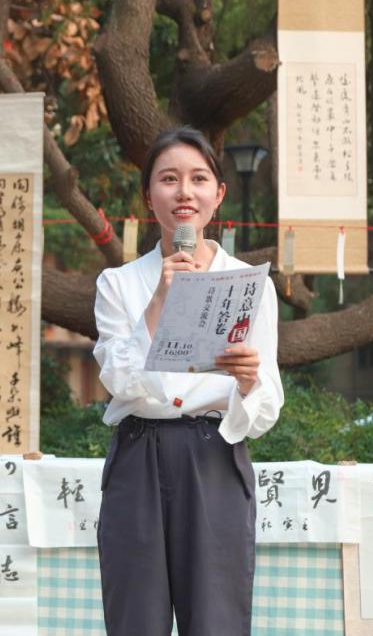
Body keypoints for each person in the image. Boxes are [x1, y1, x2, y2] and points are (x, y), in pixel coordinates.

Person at [94, 127, 283, 636]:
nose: (184, 192)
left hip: (214, 456)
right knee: (135, 619)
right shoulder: (118, 284)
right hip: (138, 458)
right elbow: (118, 380)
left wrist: (248, 382)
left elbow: (267, 408)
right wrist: (159, 301)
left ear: (218, 195)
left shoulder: (250, 285)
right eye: (168, 179)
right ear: (147, 196)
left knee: (216, 621)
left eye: (199, 179)